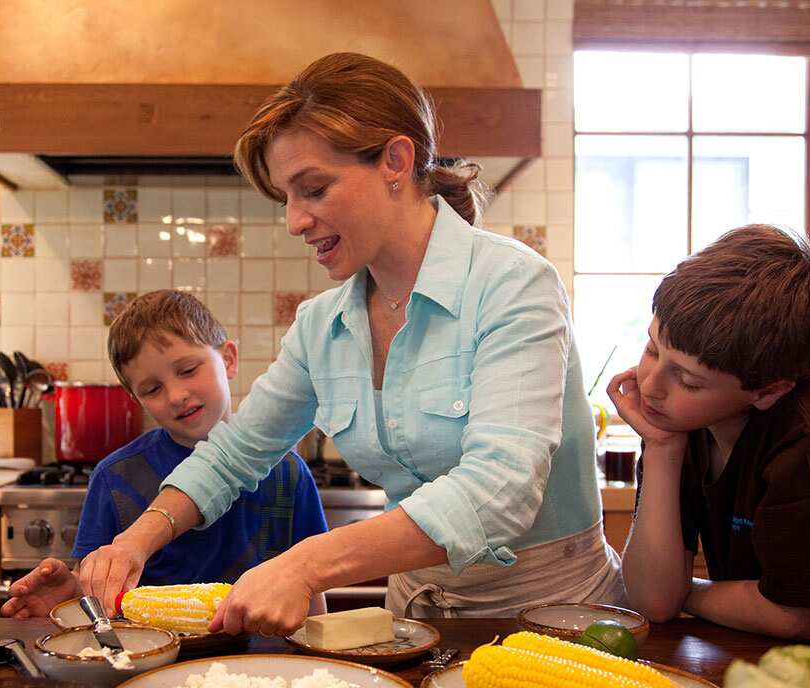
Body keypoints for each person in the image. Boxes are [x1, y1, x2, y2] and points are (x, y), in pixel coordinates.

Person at [77, 52, 625, 636]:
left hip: (550, 616)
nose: (293, 221)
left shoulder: (514, 284)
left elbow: (500, 490)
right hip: (414, 617)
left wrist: (306, 564)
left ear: (396, 159)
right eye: (286, 197)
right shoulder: (322, 325)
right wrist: (137, 540)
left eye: (312, 189)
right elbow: (234, 453)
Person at [608, 224, 810, 639]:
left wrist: (683, 592)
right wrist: (662, 448)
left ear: (769, 391)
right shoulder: (682, 424)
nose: (650, 385)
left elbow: (795, 616)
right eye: (652, 349)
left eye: (689, 381)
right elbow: (652, 601)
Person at [0, 290, 329, 619]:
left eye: (187, 370)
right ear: (136, 399)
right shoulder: (115, 478)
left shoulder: (289, 471)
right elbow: (95, 590)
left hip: (264, 663)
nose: (176, 395)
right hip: (149, 659)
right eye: (152, 389)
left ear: (228, 359)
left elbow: (312, 589)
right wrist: (70, 595)